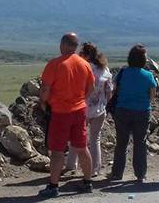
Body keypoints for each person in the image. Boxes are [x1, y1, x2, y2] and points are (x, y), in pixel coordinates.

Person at [38, 33, 96, 198]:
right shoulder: (84, 64)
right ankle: (87, 182)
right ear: (75, 46)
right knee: (82, 147)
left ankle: (53, 186)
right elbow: (91, 88)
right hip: (79, 111)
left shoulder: (55, 64)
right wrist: (80, 99)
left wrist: (43, 103)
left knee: (57, 151)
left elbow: (45, 89)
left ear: (63, 44)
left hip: (60, 112)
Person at [109, 44, 157, 182]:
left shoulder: (123, 72)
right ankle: (140, 174)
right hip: (142, 111)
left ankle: (117, 173)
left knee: (121, 143)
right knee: (140, 143)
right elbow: (152, 94)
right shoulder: (148, 75)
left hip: (122, 110)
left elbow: (114, 90)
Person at [65, 43, 113, 177]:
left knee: (76, 137)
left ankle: (71, 165)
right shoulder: (104, 70)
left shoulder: (81, 68)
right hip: (99, 109)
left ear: (84, 55)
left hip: (81, 109)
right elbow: (109, 91)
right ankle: (95, 169)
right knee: (95, 139)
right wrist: (104, 103)